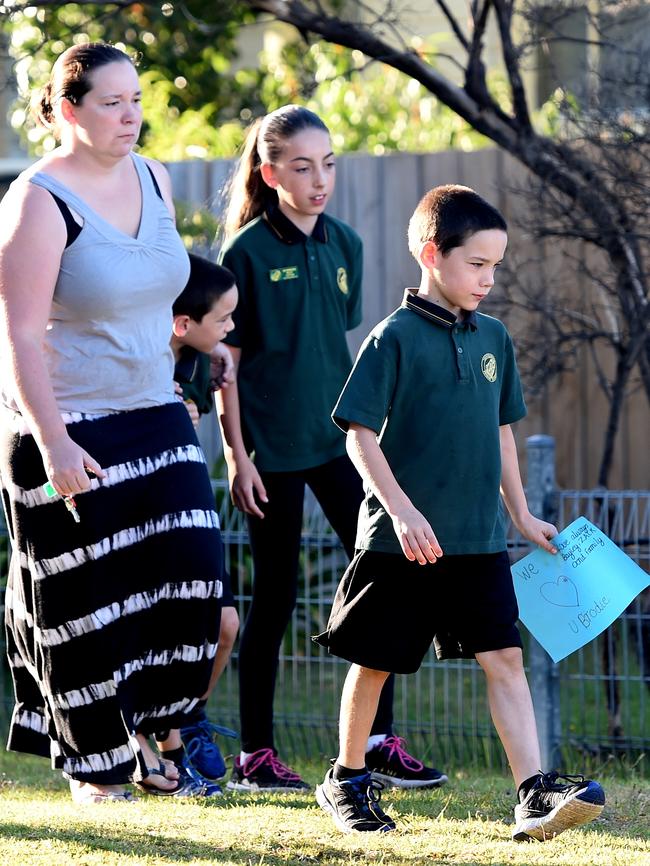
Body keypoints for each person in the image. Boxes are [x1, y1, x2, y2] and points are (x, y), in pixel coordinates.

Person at [314, 185, 606, 839]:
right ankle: (347, 779)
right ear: (431, 254)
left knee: (504, 657)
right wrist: (401, 512)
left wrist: (523, 517)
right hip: (401, 543)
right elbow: (357, 433)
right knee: (375, 662)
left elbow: (502, 432)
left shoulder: (494, 338)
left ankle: (532, 794)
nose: (489, 280)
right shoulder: (392, 339)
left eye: (496, 265)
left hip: (478, 540)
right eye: (477, 264)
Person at [0, 43, 224, 804]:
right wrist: (55, 441)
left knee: (193, 577)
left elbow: (160, 304)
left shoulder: (153, 177)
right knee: (82, 606)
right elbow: (20, 336)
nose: (131, 116)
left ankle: (149, 734)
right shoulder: (37, 200)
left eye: (136, 100)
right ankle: (94, 768)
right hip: (70, 423)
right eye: (111, 103)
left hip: (155, 411)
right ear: (68, 110)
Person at [215, 104, 445, 792]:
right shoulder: (245, 254)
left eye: (329, 165)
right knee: (277, 595)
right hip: (270, 452)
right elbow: (228, 362)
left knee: (385, 577)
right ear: (270, 172)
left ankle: (377, 742)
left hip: (338, 442)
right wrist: (237, 455)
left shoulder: (345, 242)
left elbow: (333, 341)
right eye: (302, 167)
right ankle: (257, 755)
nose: (320, 180)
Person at [170, 253, 240, 780]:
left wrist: (214, 345)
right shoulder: (141, 361)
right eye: (224, 319)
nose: (232, 330)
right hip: (147, 517)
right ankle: (159, 743)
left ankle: (188, 716)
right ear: (183, 322)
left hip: (191, 509)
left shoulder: (197, 358)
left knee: (225, 624)